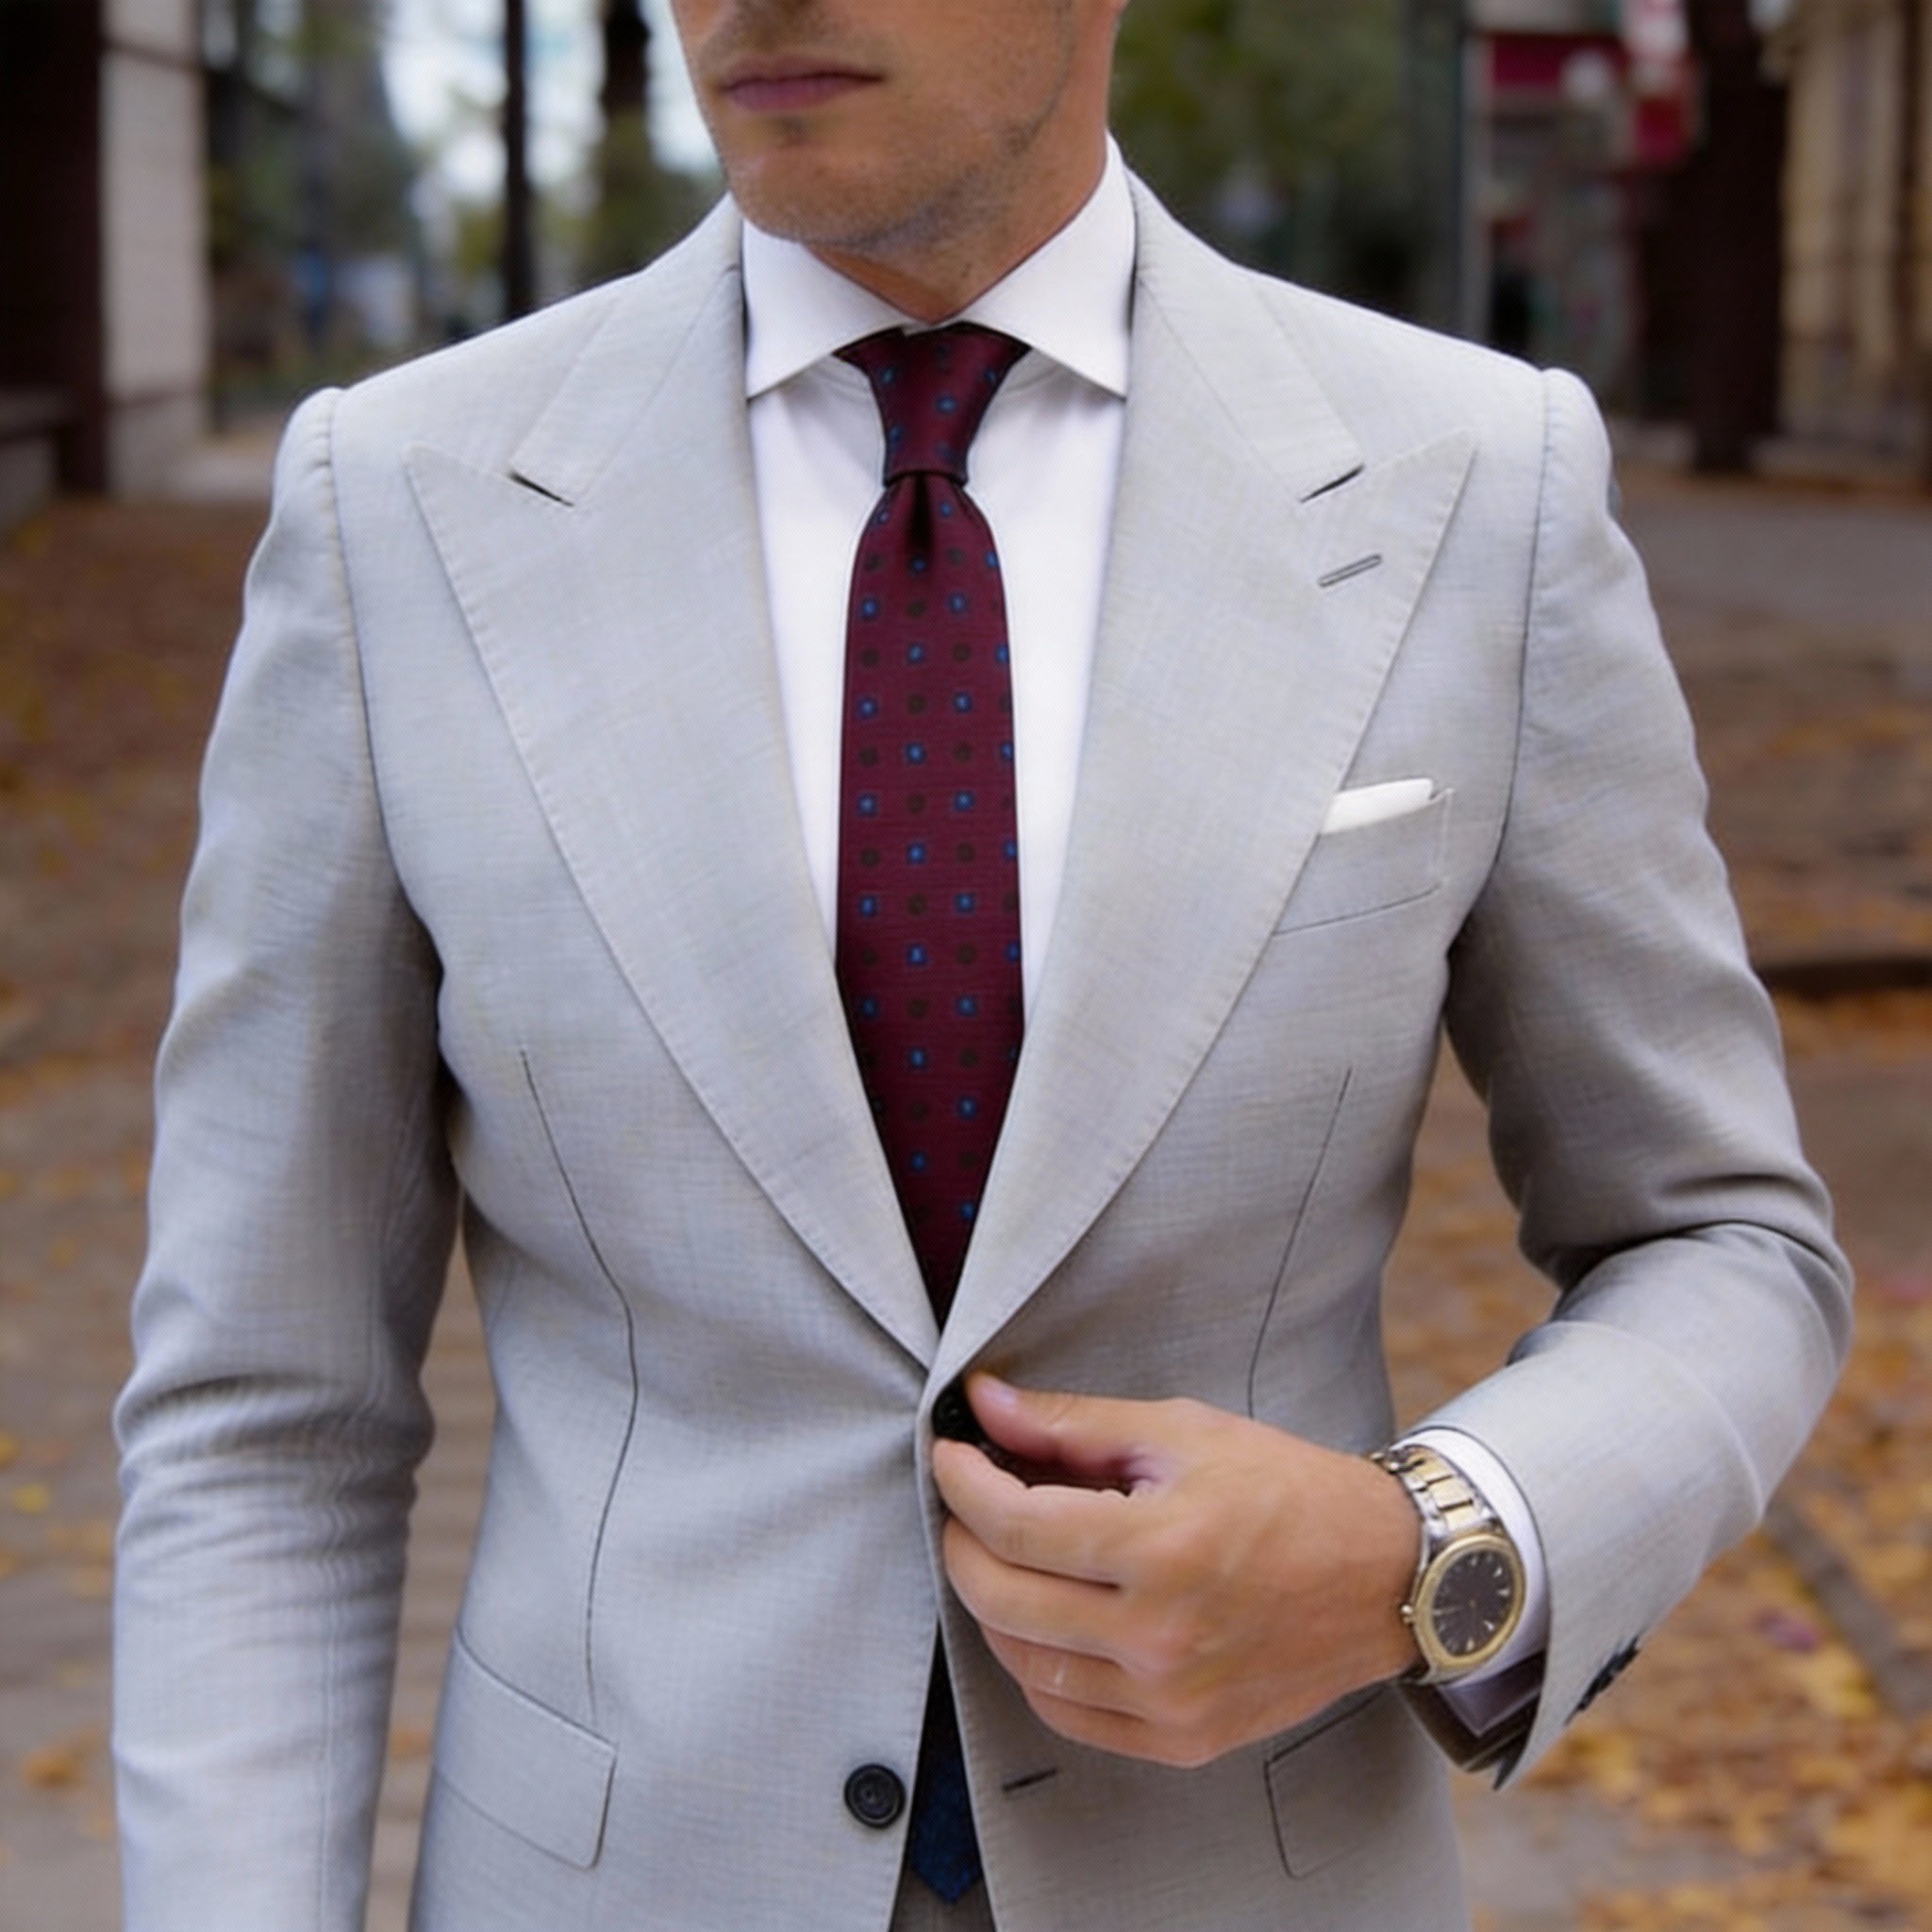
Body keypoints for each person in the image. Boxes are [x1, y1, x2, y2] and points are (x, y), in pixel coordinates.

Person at [111, 1, 1850, 1927]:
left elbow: (1720, 1240)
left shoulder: (1471, 485)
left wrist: (1414, 1547)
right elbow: (263, 1414)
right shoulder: (399, 507)